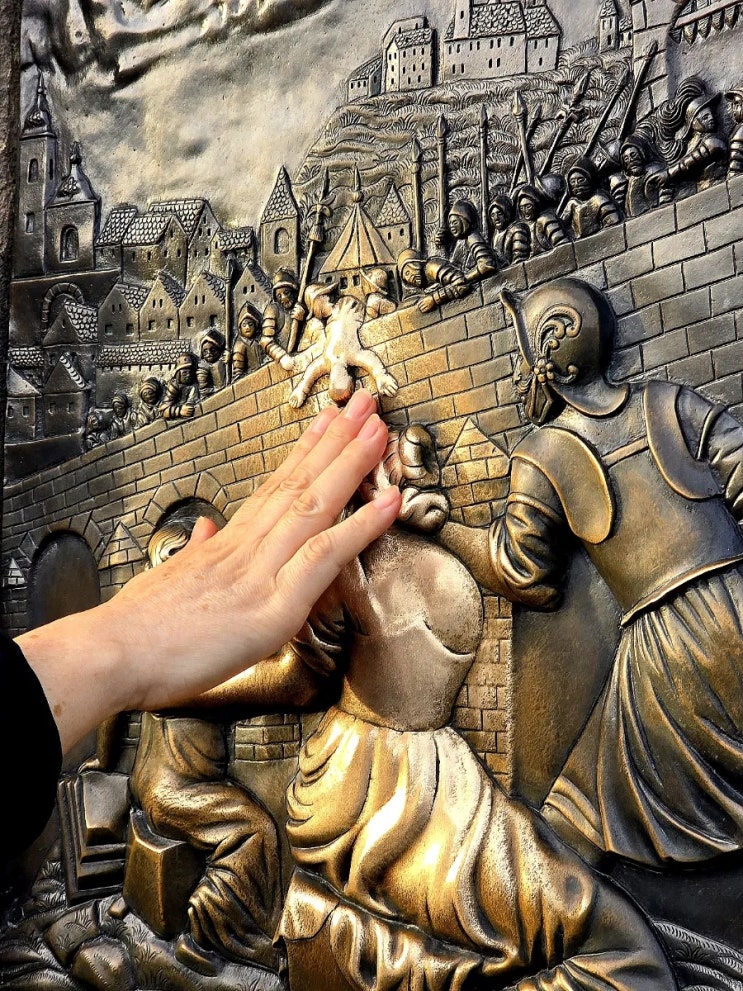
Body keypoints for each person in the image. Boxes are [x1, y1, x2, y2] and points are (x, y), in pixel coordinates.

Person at [192, 424, 676, 991]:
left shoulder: (387, 561)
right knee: (622, 950)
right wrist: (179, 688)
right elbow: (298, 680)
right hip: (384, 789)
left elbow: (297, 681)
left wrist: (179, 688)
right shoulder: (371, 567)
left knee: (617, 945)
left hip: (419, 783)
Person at [4, 391, 400, 860]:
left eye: (184, 560)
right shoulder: (175, 686)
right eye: (173, 563)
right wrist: (122, 642)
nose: (186, 570)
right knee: (254, 837)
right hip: (172, 789)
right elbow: (290, 684)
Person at [438, 277, 743, 870]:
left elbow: (523, 572)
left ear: (553, 350)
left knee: (576, 821)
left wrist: (442, 528)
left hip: (671, 650)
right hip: (737, 595)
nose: (516, 373)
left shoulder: (544, 454)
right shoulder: (669, 402)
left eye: (522, 354)